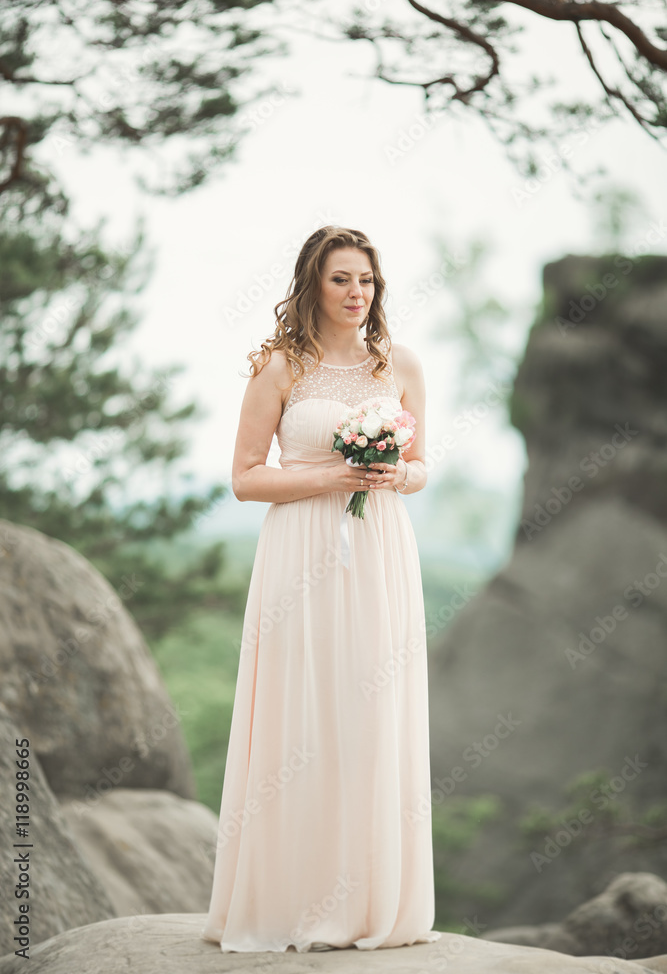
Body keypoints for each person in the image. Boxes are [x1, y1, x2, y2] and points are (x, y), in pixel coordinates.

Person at [200, 225, 441, 953]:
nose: (355, 293)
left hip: (377, 549)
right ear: (312, 285)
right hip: (298, 551)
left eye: (364, 280)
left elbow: (423, 462)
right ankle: (287, 900)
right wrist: (333, 476)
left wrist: (390, 473)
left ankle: (369, 905)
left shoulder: (398, 362)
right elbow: (245, 478)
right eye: (340, 280)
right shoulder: (279, 367)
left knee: (370, 711)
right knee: (298, 713)